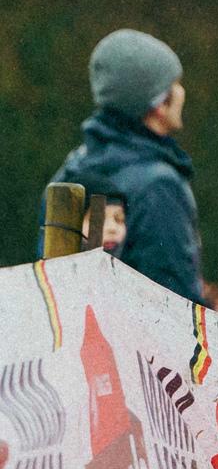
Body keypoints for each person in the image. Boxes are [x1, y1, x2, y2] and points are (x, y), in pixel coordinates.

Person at [46, 29, 205, 302]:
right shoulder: (158, 186)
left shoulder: (69, 171)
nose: (182, 92)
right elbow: (174, 305)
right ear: (159, 103)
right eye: (175, 84)